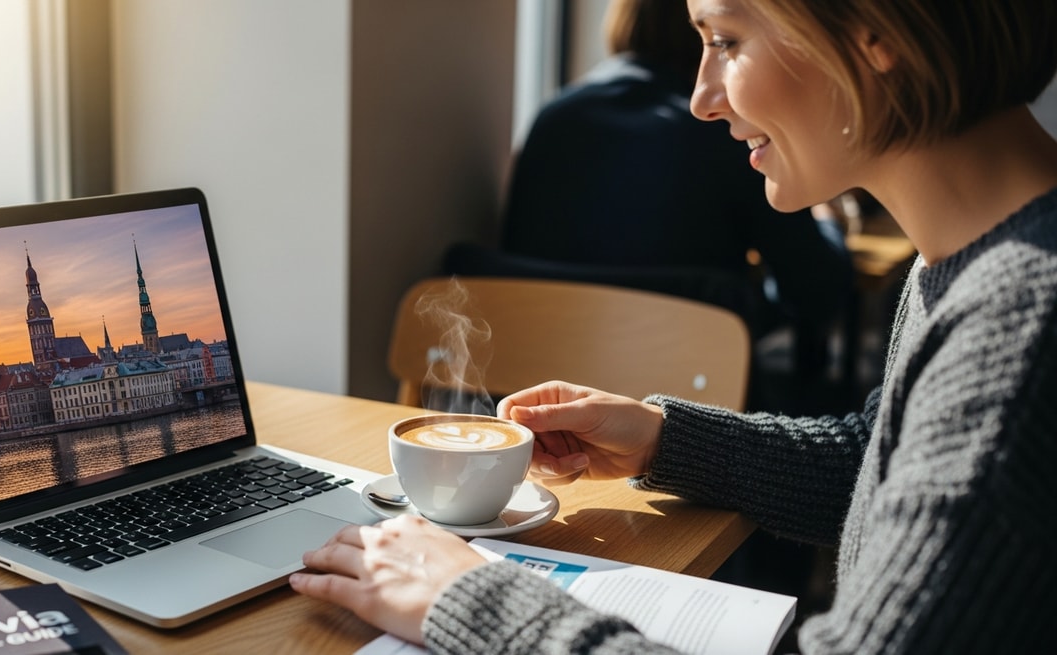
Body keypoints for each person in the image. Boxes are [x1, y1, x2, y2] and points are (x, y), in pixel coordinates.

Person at [290, 0, 1057, 652]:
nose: (700, 97)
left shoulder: (1020, 323)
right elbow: (885, 467)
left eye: (725, 40)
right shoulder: (972, 263)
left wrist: (474, 602)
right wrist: (665, 438)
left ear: (873, 31)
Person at [493, 0, 852, 357]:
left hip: (537, 377)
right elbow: (817, 293)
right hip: (690, 388)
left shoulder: (551, 120)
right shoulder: (732, 138)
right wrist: (827, 220)